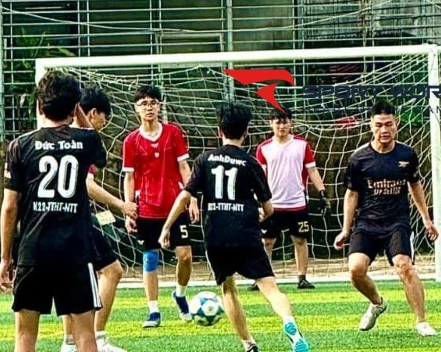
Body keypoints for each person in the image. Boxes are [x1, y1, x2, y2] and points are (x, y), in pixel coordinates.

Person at [160, 102, 311, 352]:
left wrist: (167, 227)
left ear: (220, 130)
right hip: (246, 232)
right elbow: (269, 208)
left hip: (216, 235)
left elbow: (185, 196)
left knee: (228, 288)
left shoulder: (204, 159)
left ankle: (249, 344)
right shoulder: (250, 163)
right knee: (270, 287)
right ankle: (289, 323)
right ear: (247, 131)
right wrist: (259, 215)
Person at [0, 71, 109, 352]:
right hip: (76, 252)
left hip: (34, 251)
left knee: (25, 335)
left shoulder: (19, 146)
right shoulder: (86, 142)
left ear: (38, 106)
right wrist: (78, 113)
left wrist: (5, 258)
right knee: (85, 335)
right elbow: (95, 145)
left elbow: (10, 206)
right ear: (74, 109)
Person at [333, 99, 439, 337]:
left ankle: (421, 321)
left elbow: (415, 185)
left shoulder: (407, 154)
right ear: (371, 125)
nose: (384, 130)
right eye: (379, 124)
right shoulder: (358, 158)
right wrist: (345, 229)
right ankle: (378, 302)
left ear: (396, 124)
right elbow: (351, 194)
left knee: (405, 266)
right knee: (355, 270)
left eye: (388, 124)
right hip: (367, 223)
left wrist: (426, 218)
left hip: (396, 223)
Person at [60, 87, 138, 352]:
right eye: (104, 119)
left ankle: (70, 342)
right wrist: (120, 205)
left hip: (56, 219)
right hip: (77, 218)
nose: (104, 126)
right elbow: (87, 183)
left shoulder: (57, 134)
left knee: (74, 276)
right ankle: (97, 338)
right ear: (92, 113)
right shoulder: (83, 140)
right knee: (112, 270)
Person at [120, 84, 198, 328]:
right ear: (136, 109)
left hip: (175, 205)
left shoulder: (173, 133)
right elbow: (129, 177)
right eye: (144, 103)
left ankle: (179, 293)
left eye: (153, 102)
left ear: (160, 106)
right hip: (147, 208)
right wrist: (128, 207)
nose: (149, 107)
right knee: (150, 259)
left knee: (185, 256)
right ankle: (153, 310)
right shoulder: (131, 141)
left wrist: (193, 197)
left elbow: (185, 168)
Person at [250, 107, 328, 291]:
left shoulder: (302, 145)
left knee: (300, 240)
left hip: (297, 203)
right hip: (272, 205)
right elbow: (260, 176)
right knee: (266, 242)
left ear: (291, 123)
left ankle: (302, 277)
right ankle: (261, 277)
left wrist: (322, 192)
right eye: (277, 121)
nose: (281, 125)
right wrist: (258, 201)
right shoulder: (264, 148)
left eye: (285, 121)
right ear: (271, 123)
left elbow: (312, 170)